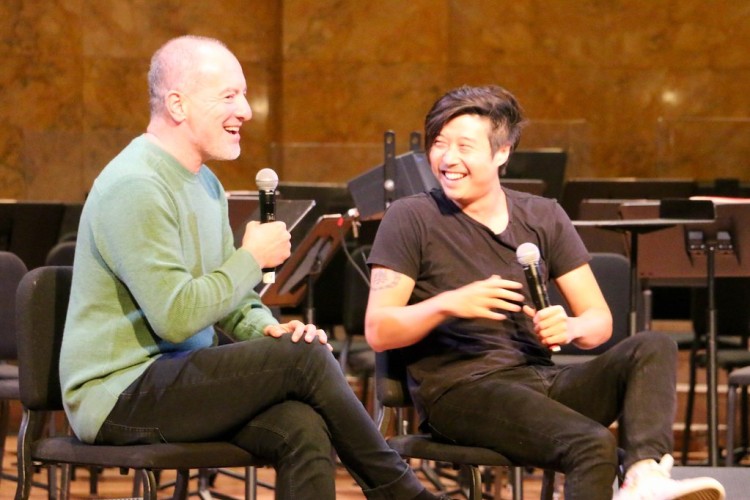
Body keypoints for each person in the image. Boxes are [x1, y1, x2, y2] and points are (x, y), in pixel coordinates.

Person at [59, 35, 449, 500]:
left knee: (302, 425)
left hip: (178, 374)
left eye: (243, 94)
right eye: (229, 95)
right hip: (119, 393)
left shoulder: (204, 182)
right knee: (305, 360)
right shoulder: (137, 185)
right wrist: (252, 258)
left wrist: (268, 330)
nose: (245, 110)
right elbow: (177, 317)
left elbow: (234, 302)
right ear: (177, 105)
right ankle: (403, 491)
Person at [364, 85, 726, 500]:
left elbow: (598, 323)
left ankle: (644, 474)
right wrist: (449, 303)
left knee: (653, 345)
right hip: (461, 389)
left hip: (541, 379)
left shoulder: (543, 215)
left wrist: (570, 326)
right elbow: (379, 329)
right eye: (439, 144)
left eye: (465, 146)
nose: (448, 159)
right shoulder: (410, 217)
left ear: (502, 153)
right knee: (591, 444)